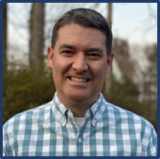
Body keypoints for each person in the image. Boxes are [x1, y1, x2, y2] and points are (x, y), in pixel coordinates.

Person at [3, 8, 157, 156]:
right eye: (68, 52)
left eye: (93, 54)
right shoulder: (14, 134)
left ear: (108, 63)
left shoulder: (141, 136)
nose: (79, 66)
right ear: (51, 57)